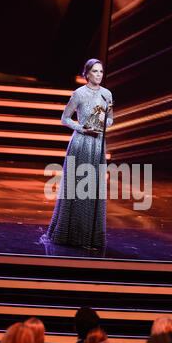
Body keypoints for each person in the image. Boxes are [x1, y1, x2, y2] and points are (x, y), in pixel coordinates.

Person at [40, 58, 113, 251]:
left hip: (97, 145)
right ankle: (71, 235)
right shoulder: (78, 94)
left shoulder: (107, 95)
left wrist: (104, 121)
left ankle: (90, 237)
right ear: (87, 74)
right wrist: (82, 128)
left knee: (94, 190)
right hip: (81, 144)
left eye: (101, 72)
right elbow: (64, 118)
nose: (99, 75)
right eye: (95, 71)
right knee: (79, 189)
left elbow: (111, 120)